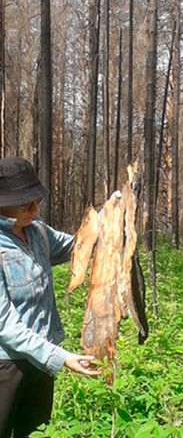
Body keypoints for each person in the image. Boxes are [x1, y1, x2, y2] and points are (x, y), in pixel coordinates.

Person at [0, 157, 101, 438]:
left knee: (35, 432)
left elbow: (78, 244)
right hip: (6, 365)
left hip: (40, 364)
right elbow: (5, 325)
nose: (34, 209)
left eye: (36, 200)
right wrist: (61, 357)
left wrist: (110, 214)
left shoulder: (39, 233)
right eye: (25, 203)